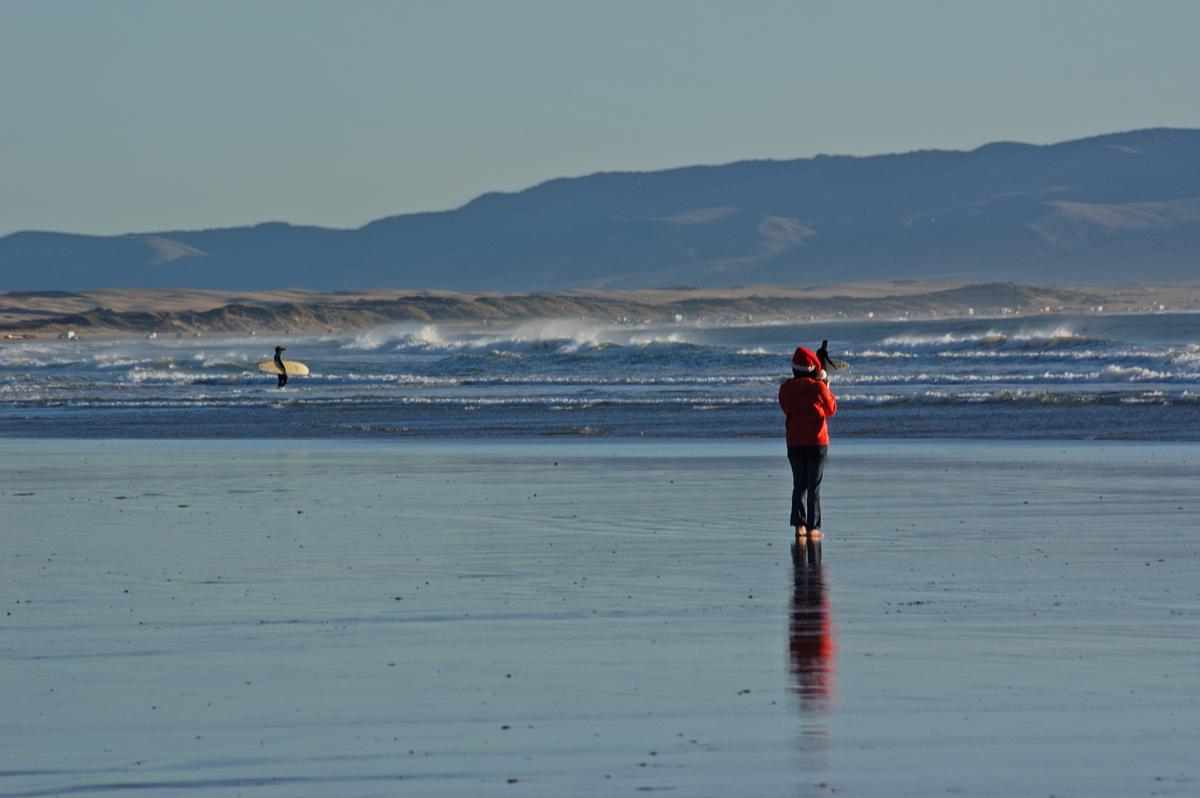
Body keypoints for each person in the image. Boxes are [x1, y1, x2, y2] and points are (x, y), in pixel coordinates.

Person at [779, 346, 837, 541]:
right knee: (814, 485)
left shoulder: (786, 388)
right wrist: (826, 387)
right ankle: (814, 527)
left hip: (794, 442)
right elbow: (831, 409)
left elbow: (786, 408)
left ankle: (799, 525)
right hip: (816, 441)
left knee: (799, 484)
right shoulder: (818, 387)